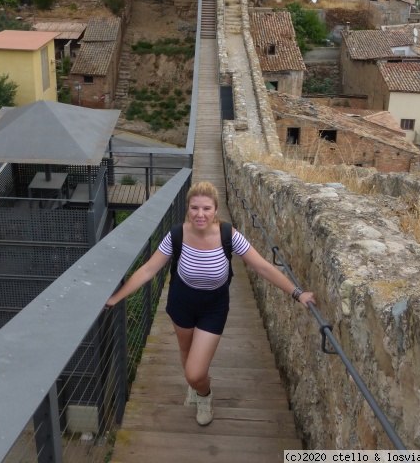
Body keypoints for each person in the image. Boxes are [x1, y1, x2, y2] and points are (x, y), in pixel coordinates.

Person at [105, 180, 316, 426]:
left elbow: (262, 267)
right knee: (186, 352)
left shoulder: (228, 235)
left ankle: (203, 393)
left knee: (195, 372)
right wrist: (116, 298)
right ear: (187, 209)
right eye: (194, 208)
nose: (200, 214)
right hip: (181, 302)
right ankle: (195, 387)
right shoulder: (176, 234)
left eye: (206, 208)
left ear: (216, 210)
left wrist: (297, 293)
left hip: (213, 307)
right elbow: (149, 269)